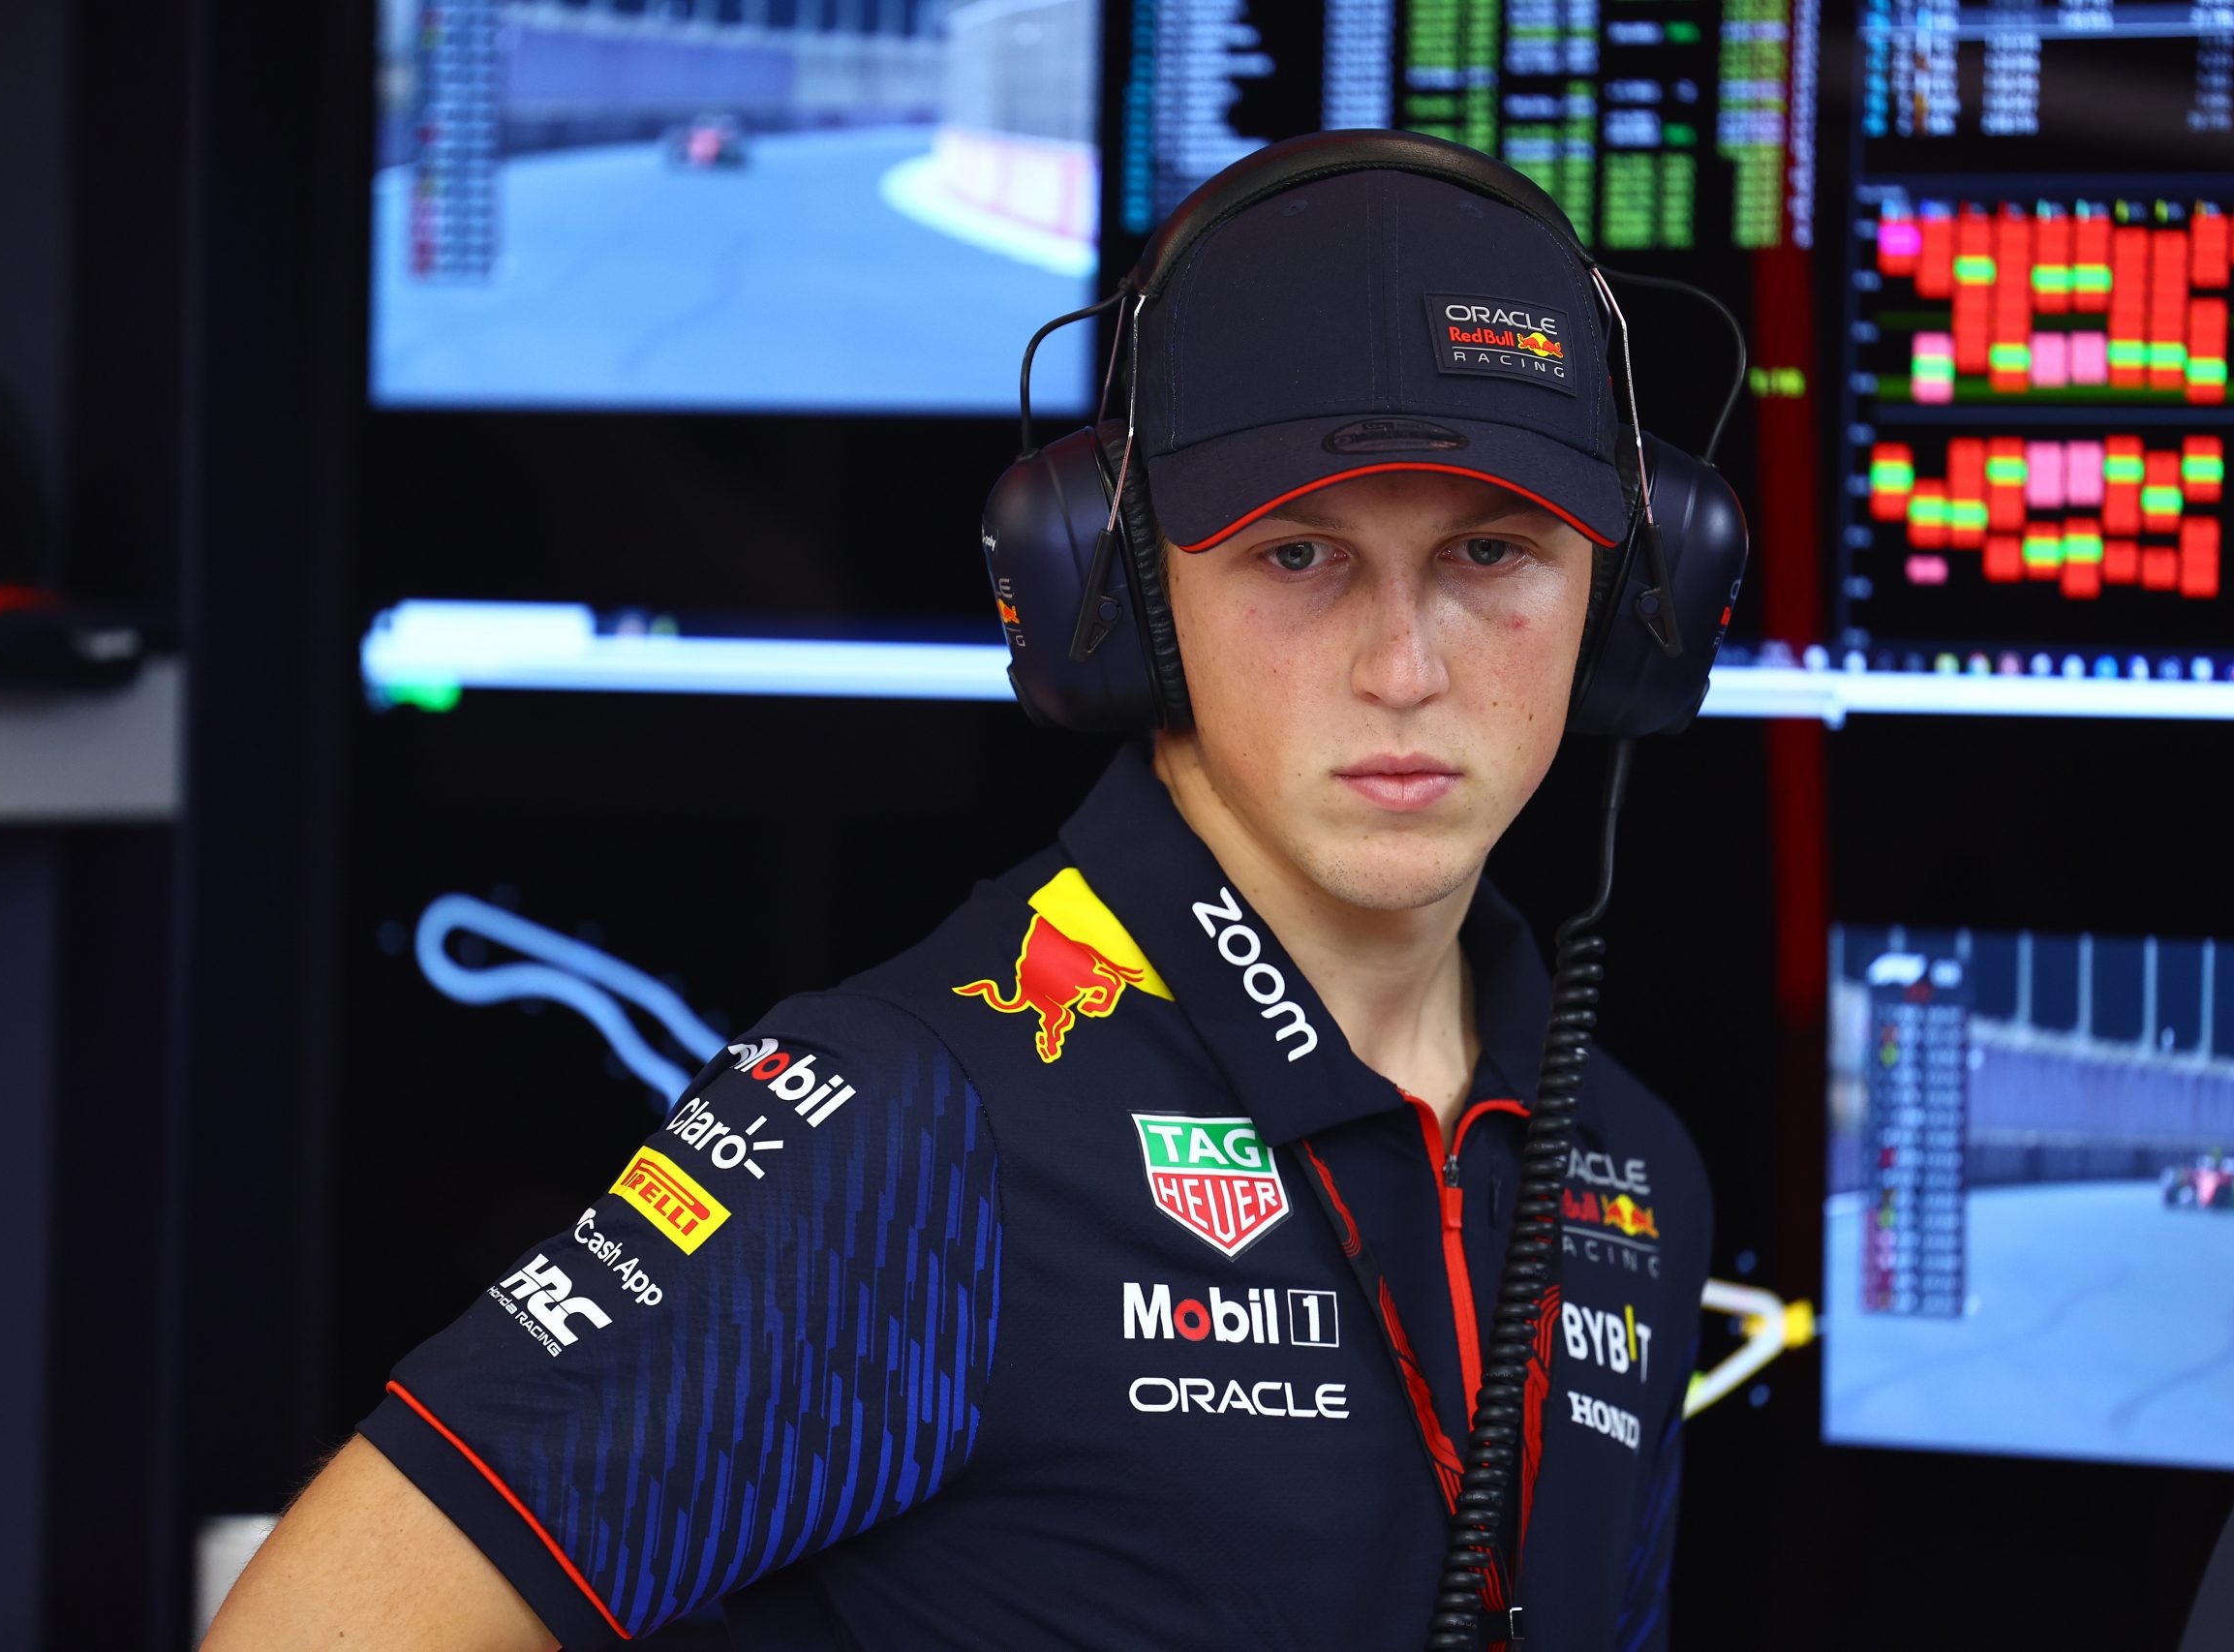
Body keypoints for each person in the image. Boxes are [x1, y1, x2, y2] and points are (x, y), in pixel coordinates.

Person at [204, 135, 1718, 1652]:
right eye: (1300, 552)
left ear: (1638, 594)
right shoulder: (919, 1122)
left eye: (1491, 551)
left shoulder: (1626, 1163)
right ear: (1116, 590)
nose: (1407, 668)